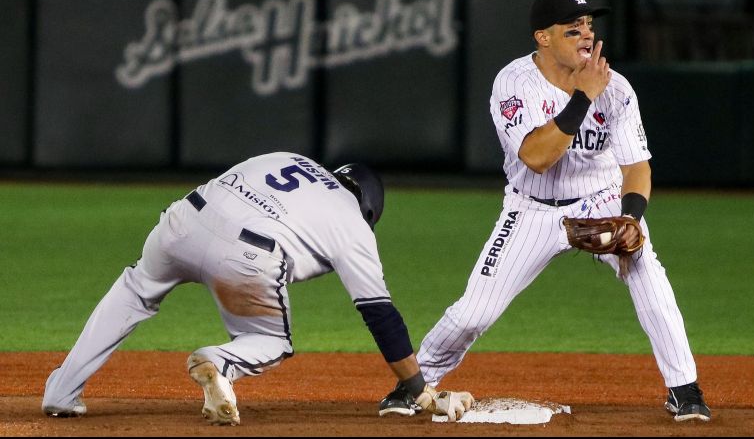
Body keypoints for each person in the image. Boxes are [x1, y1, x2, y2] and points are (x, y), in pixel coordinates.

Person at [379, 0, 710, 422]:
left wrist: (631, 217)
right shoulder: (515, 83)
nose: (587, 36)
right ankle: (414, 384)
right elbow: (536, 158)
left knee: (648, 274)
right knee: (474, 313)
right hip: (531, 209)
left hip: (600, 199)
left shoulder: (617, 88)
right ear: (543, 37)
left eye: (590, 26)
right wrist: (583, 96)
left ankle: (684, 390)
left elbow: (637, 166)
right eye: (573, 29)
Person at [42, 152, 473, 425]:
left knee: (134, 289)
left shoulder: (287, 157)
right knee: (268, 339)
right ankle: (220, 362)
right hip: (247, 254)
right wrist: (420, 390)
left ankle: (61, 391)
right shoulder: (353, 223)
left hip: (182, 218)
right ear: (369, 207)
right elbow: (379, 313)